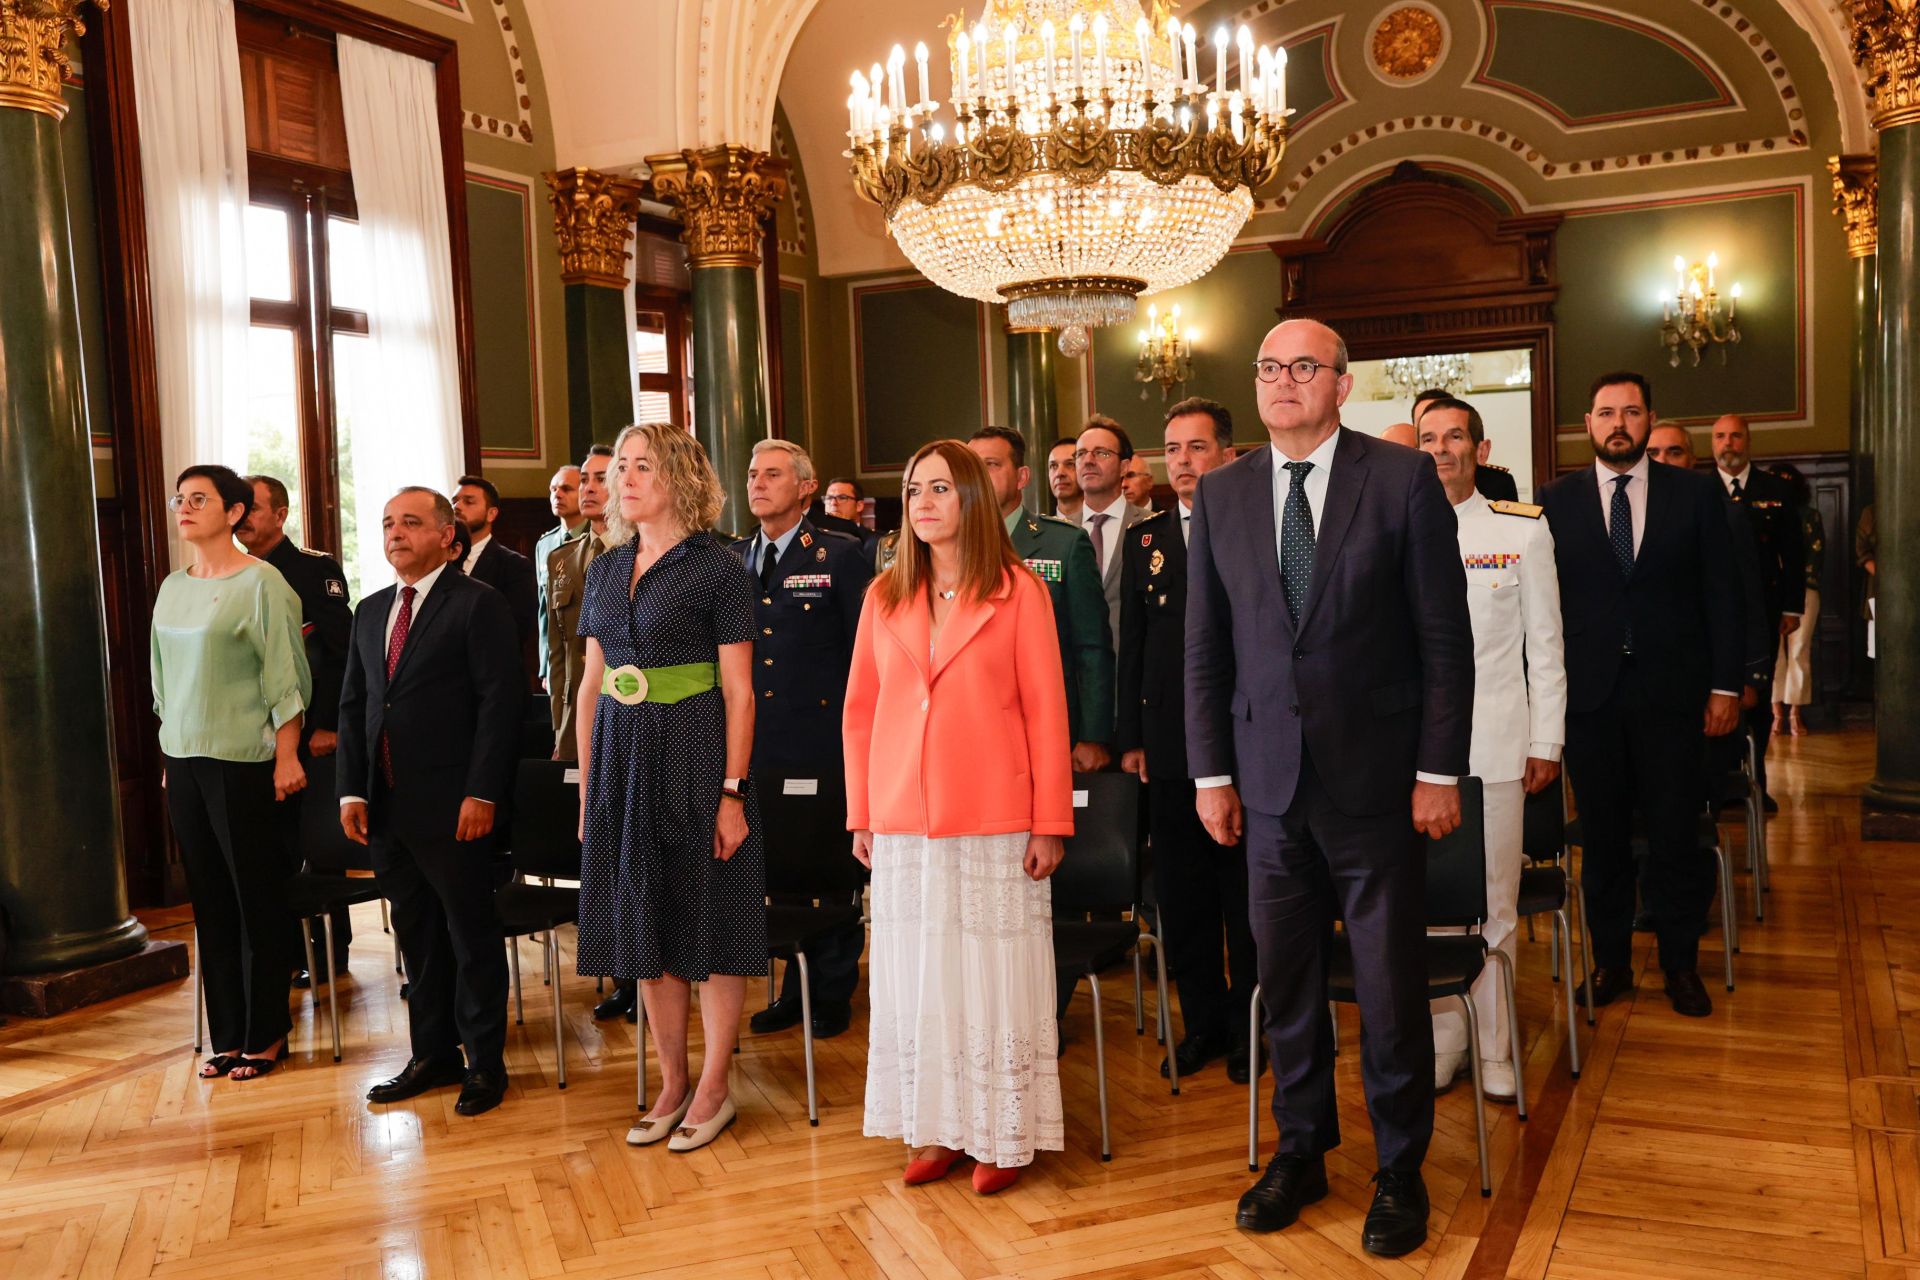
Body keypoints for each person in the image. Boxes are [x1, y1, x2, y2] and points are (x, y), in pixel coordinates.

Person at [1187, 320, 1474, 1257]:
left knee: (1389, 988)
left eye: (1304, 367)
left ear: (1343, 387)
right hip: (1265, 785)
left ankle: (1400, 1167)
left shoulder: (1398, 482)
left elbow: (1443, 639)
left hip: (1378, 783)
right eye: (1269, 368)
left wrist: (1439, 770)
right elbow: (1206, 648)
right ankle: (1302, 1149)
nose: (1283, 382)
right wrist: (1211, 772)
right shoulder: (1223, 492)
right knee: (1287, 980)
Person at [844, 439, 1071, 1195]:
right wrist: (863, 813)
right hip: (905, 820)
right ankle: (939, 1127)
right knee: (919, 978)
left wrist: (1050, 822)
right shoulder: (884, 596)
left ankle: (1002, 1135)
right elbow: (860, 715)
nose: (925, 503)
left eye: (941, 488)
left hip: (996, 817)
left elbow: (1046, 713)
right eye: (914, 491)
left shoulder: (1019, 590)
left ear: (972, 498)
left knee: (990, 977)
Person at [573, 423, 763, 1153]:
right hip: (623, 761)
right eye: (620, 465)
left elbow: (741, 693)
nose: (623, 478)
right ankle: (672, 1082)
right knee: (644, 924)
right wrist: (589, 791)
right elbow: (592, 687)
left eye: (641, 466)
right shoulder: (605, 567)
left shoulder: (719, 569)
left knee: (706, 922)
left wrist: (733, 793)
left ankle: (715, 1087)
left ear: (680, 476)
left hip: (697, 753)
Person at [1539, 373, 1742, 1020]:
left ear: (1651, 418)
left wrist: (1725, 685)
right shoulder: (1554, 501)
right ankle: (1612, 963)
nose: (1618, 422)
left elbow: (1723, 595)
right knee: (1601, 842)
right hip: (1591, 702)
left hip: (1675, 698)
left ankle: (1681, 965)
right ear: (1588, 423)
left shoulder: (1697, 494)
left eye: (1631, 411)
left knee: (1674, 836)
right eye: (1606, 412)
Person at [340, 487, 525, 1117]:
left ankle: (485, 1064)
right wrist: (351, 788)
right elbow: (355, 705)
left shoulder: (478, 604)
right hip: (387, 806)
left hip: (456, 806)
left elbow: (500, 708)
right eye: (388, 522)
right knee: (417, 939)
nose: (395, 532)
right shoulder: (370, 611)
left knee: (470, 938)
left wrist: (482, 792)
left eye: (411, 522)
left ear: (448, 536)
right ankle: (432, 1054)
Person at [1415, 396, 1566, 1103]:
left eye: (1453, 438)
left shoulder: (1520, 532)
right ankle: (1447, 1042)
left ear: (1480, 447)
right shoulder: (1395, 530)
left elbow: (1547, 647)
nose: (1440, 449)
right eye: (1427, 439)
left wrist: (1548, 741)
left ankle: (1497, 1046)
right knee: (1432, 910)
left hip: (1498, 748)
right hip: (1416, 759)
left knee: (1496, 907)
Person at [152, 464, 312, 1082]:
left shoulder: (263, 582)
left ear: (235, 512)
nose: (185, 508)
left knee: (255, 900)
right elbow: (161, 677)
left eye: (200, 499)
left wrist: (289, 754)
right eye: (180, 499)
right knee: (211, 903)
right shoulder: (173, 586)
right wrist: (173, 752)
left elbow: (287, 677)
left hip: (246, 760)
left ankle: (266, 1032)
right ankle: (228, 1035)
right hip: (185, 759)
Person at [1115, 397, 1257, 1084]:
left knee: (1248, 901)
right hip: (1171, 751)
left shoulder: (1258, 528)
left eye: (1196, 448)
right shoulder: (1146, 540)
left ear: (1226, 453)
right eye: (1172, 449)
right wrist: (1133, 738)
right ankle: (1203, 1024)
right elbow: (1133, 649)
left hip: (1248, 747)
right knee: (1184, 898)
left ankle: (1254, 1030)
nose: (1182, 461)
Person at [732, 439, 873, 1041]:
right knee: (779, 869)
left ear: (806, 487)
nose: (757, 484)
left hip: (822, 736)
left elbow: (863, 652)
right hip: (758, 740)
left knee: (831, 869)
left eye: (772, 474)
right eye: (752, 475)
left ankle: (833, 990)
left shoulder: (840, 554)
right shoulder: (735, 557)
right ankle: (795, 987)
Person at [236, 473, 354, 984]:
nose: (243, 518)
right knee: (270, 849)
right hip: (251, 738)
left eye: (253, 509)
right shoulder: (229, 573)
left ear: (280, 515)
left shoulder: (311, 570)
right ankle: (283, 955)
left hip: (308, 734)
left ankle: (329, 956)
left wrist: (326, 725)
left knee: (316, 846)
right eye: (237, 509)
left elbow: (340, 654)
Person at [968, 426, 1114, 772]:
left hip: (1045, 727)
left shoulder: (1063, 544)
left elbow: (1092, 646)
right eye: (971, 467)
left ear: (1021, 477)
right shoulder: (948, 546)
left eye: (990, 464)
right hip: (972, 729)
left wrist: (1093, 735)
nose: (979, 476)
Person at [1711, 414, 1803, 810]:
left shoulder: (1774, 489)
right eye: (1719, 437)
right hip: (1713, 612)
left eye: (1734, 436)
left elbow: (1794, 553)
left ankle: (1755, 781)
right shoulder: (1699, 489)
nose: (1727, 443)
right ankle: (1720, 782)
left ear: (1748, 441)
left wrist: (1792, 607)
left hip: (1762, 612)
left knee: (1758, 698)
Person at [547, 446, 615, 759]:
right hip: (576, 710)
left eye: (601, 479)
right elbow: (558, 653)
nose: (588, 488)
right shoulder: (562, 557)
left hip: (622, 705)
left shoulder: (641, 554)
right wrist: (560, 728)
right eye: (585, 479)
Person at [1074, 417, 1153, 657]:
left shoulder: (1153, 527)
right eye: (1080, 454)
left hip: (1135, 669)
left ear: (1124, 466)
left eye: (1101, 453)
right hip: (1074, 677)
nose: (1088, 460)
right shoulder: (1058, 533)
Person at [453, 474, 538, 670]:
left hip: (490, 671)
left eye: (468, 501)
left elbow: (515, 631)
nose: (457, 506)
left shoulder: (513, 565)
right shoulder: (441, 562)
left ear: (491, 514)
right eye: (454, 501)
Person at [1770, 462, 1824, 736]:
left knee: (1799, 650)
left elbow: (1816, 556)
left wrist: (1796, 584)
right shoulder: (1763, 513)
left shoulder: (1809, 515)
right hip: (1768, 590)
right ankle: (1776, 712)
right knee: (1772, 652)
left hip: (1805, 589)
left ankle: (1795, 713)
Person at [1410, 389, 1517, 500]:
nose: (1440, 448)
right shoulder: (1401, 502)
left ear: (1481, 451)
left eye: (1455, 437)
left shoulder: (1501, 508)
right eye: (1428, 439)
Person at [534, 465, 587, 687]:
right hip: (559, 656)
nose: (557, 494)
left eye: (566, 489)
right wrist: (545, 665)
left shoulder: (597, 539)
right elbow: (544, 610)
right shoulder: (546, 544)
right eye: (553, 489)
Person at [817, 476, 879, 555]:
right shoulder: (815, 537)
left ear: (859, 506)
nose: (833, 503)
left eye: (842, 497)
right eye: (829, 498)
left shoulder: (875, 543)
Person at [1046, 439, 1084, 522]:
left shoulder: (1099, 526)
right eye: (1053, 466)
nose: (1059, 473)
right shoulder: (1038, 529)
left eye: (1070, 464)